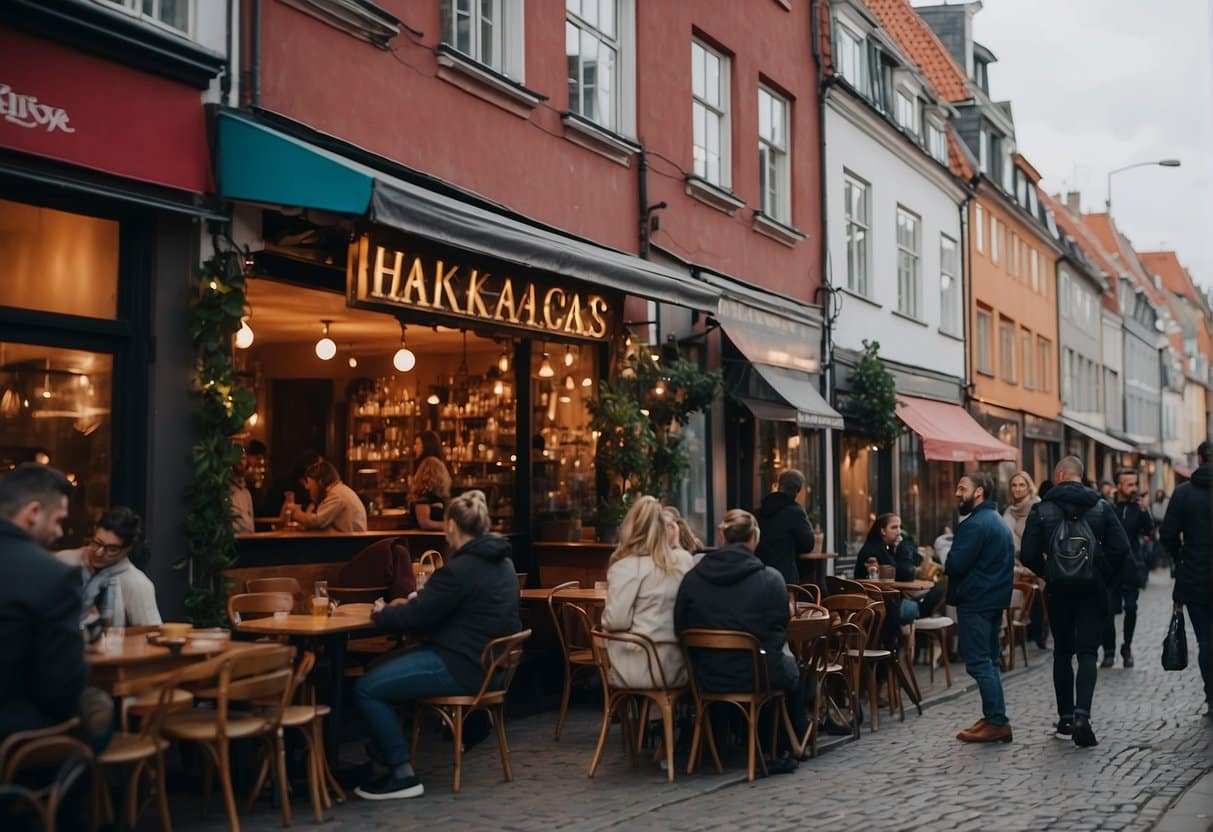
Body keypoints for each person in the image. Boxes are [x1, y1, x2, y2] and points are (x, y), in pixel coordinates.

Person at [354, 491, 520, 800]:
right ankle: (383, 752)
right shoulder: (504, 563)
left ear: (453, 526)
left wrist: (381, 615)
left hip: (461, 666)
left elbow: (417, 615)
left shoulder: (461, 569)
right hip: (489, 668)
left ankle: (401, 771)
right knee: (378, 668)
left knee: (366, 686)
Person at [1020, 455, 1130, 748]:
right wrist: (1102, 577)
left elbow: (1028, 554)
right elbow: (1123, 550)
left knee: (1062, 653)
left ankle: (1066, 719)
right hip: (1092, 592)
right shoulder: (1102, 507)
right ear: (1080, 476)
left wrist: (1050, 573)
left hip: (1058, 592)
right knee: (1087, 654)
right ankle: (1083, 715)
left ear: (1058, 475)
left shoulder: (1041, 510)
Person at [674, 509, 806, 745]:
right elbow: (779, 628)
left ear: (722, 538)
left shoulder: (692, 579)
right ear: (754, 538)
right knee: (794, 668)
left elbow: (680, 626)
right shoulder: (770, 579)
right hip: (757, 677)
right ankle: (787, 740)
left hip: (705, 676)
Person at [0, 464, 104, 741]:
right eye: (58, 521)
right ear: (33, 513)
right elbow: (60, 689)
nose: (59, 533)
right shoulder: (51, 575)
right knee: (99, 710)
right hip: (15, 738)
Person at [945, 471, 1015, 743]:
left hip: (976, 601)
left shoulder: (975, 524)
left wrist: (947, 554)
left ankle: (997, 721)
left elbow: (955, 564)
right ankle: (993, 716)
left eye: (962, 488)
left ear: (979, 492)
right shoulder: (996, 520)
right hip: (992, 599)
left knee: (979, 663)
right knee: (988, 661)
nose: (957, 493)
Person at [601, 497, 693, 688]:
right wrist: (674, 545)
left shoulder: (626, 567)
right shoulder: (682, 561)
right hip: (678, 665)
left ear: (630, 528)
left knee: (601, 636)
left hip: (639, 667)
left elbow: (615, 621)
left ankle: (628, 715)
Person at [1159, 440, 1212, 715]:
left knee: (1206, 640)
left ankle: (1212, 697)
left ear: (1199, 459)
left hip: (1195, 575)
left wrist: (1182, 555)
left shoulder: (1183, 494)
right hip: (1196, 572)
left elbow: (1167, 535)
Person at [57, 507, 161, 628]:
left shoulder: (137, 583)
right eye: (97, 543)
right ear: (94, 531)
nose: (99, 553)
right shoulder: (64, 562)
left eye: (111, 549)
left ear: (127, 549)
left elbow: (151, 634)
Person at [1102, 468, 1154, 668]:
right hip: (1111, 567)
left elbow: (1150, 532)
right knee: (1109, 611)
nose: (1134, 488)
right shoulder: (1108, 507)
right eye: (1129, 484)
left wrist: (1144, 511)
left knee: (1131, 608)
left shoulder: (1138, 508)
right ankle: (1109, 651)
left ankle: (1127, 647)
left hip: (1132, 565)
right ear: (1119, 486)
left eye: (1135, 484)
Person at [854, 513, 922, 625]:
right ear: (883, 531)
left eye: (900, 527)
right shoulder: (875, 550)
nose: (899, 532)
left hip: (880, 604)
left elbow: (918, 560)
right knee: (915, 608)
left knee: (918, 603)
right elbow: (906, 574)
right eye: (894, 527)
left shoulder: (882, 548)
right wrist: (902, 547)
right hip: (877, 607)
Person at [754, 470, 816, 585]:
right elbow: (808, 545)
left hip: (758, 575)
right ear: (798, 490)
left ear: (779, 485)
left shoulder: (759, 511)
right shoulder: (795, 512)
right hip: (784, 579)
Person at [284, 460, 367, 533]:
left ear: (320, 482)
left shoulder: (337, 495)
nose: (307, 487)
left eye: (311, 485)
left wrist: (295, 512)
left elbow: (319, 521)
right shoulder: (338, 491)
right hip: (347, 543)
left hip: (350, 546)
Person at [408, 456, 451, 532]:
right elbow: (425, 523)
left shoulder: (438, 496)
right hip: (427, 540)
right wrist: (449, 526)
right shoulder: (422, 497)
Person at [1001, 470, 1039, 555]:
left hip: (1033, 560)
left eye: (1022, 485)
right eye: (1014, 485)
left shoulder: (1037, 507)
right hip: (1012, 559)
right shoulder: (1009, 510)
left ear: (1029, 487)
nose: (1017, 489)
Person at [231, 451, 255, 535]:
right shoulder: (226, 491)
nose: (241, 461)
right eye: (237, 458)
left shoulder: (246, 493)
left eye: (243, 458)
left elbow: (251, 526)